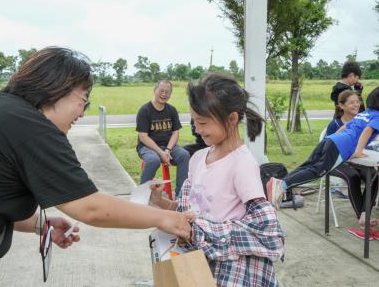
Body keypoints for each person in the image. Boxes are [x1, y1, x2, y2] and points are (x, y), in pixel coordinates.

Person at [0, 47, 193, 287]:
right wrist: (172, 220)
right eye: (82, 100)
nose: (81, 113)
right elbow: (91, 208)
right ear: (58, 89)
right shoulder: (32, 126)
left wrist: (41, 224)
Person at [150, 74, 284, 286]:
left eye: (202, 122)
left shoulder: (242, 164)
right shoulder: (198, 159)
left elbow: (265, 228)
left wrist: (198, 230)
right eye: (194, 121)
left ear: (231, 119)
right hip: (196, 260)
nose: (197, 129)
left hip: (225, 267)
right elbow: (193, 208)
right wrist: (161, 202)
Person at [268, 87, 379, 221]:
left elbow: (345, 127)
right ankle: (281, 185)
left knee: (308, 166)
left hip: (330, 140)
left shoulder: (365, 113)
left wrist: (332, 139)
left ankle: (279, 183)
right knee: (317, 171)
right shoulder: (377, 116)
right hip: (340, 146)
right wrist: (358, 151)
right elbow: (367, 130)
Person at [325, 90, 379, 238]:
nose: (356, 105)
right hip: (338, 162)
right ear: (341, 106)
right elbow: (329, 145)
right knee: (353, 176)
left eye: (357, 102)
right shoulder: (335, 124)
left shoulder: (364, 118)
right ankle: (362, 217)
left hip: (357, 160)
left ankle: (364, 215)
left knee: (373, 175)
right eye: (351, 103)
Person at [136, 80, 190, 196]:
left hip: (168, 147)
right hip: (147, 147)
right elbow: (143, 137)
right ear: (154, 90)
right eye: (161, 91)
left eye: (167, 92)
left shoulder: (172, 110)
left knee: (184, 155)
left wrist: (168, 150)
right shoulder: (145, 110)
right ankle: (141, 195)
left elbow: (175, 133)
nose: (164, 94)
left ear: (170, 94)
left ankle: (181, 196)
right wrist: (161, 152)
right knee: (153, 160)